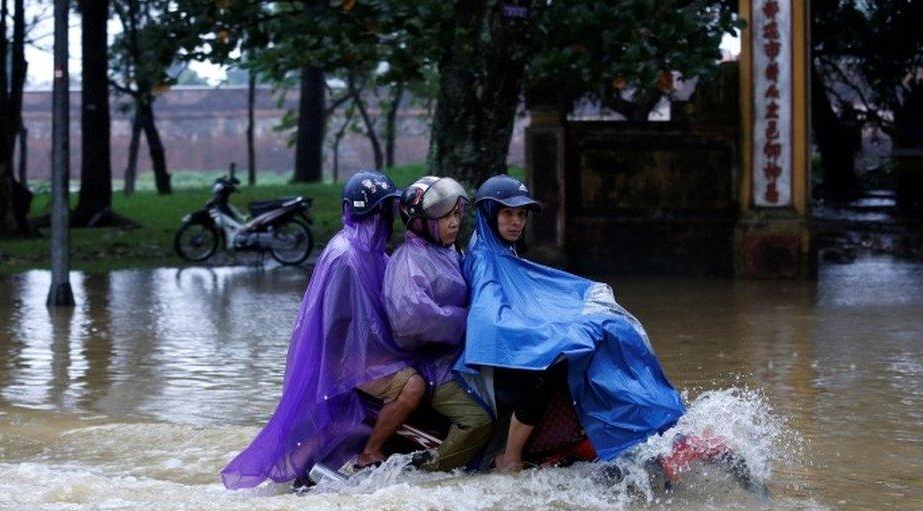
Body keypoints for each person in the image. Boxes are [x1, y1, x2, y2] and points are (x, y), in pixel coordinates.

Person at [456, 175, 686, 471]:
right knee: (547, 374)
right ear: (489, 214)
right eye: (507, 213)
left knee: (610, 334)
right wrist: (549, 336)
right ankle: (510, 458)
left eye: (521, 214)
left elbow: (530, 299)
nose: (516, 222)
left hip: (514, 347)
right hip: (497, 359)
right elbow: (493, 322)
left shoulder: (502, 250)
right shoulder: (485, 260)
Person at [221, 170, 423, 488]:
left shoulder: (368, 251)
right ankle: (371, 452)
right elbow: (341, 327)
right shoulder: (347, 257)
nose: (388, 219)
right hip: (346, 358)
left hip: (358, 352)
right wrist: (381, 357)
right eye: (384, 211)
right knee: (412, 385)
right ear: (376, 213)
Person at [382, 176, 493, 471]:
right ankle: (433, 473)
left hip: (463, 355)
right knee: (478, 421)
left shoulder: (450, 251)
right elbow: (411, 319)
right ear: (421, 223)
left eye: (456, 214)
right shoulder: (409, 262)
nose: (454, 222)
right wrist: (465, 318)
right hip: (433, 366)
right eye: (444, 216)